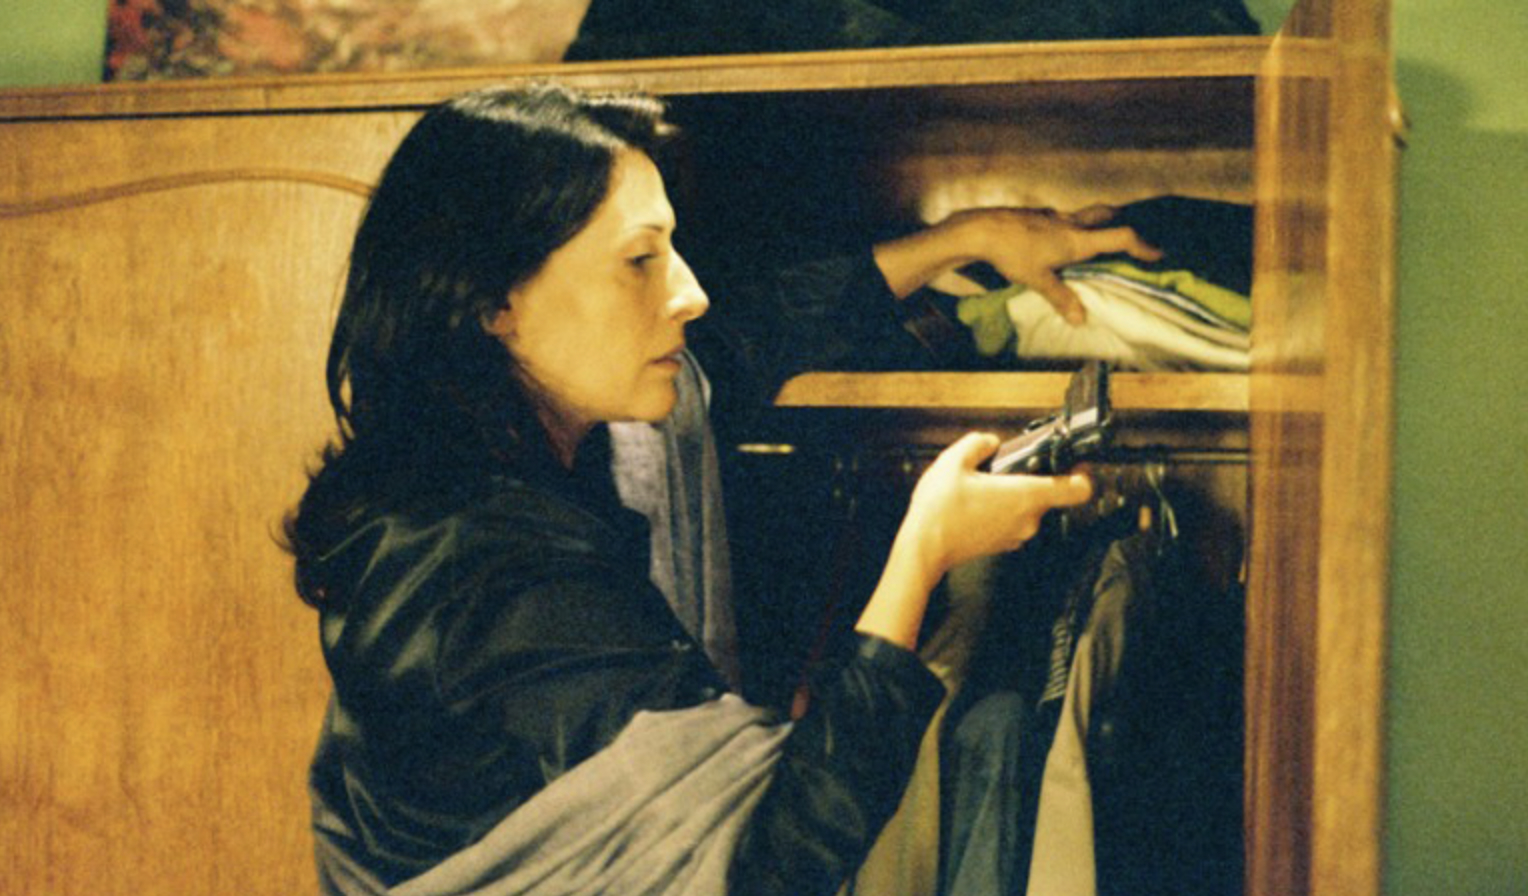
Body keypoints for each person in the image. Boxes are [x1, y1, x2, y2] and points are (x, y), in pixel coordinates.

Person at [282, 81, 1158, 896]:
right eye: (640, 260)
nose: (690, 293)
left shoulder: (468, 473)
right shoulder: (491, 575)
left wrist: (964, 239)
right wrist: (922, 555)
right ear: (492, 302)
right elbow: (775, 858)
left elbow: (740, 342)